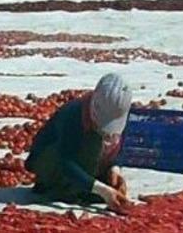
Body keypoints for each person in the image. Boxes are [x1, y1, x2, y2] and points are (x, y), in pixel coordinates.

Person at [25, 73, 133, 213]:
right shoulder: (73, 113)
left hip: (85, 166)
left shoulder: (119, 112)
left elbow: (119, 147)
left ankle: (81, 187)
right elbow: (66, 162)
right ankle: (59, 188)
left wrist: (114, 169)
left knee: (110, 185)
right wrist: (102, 190)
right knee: (93, 141)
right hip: (52, 164)